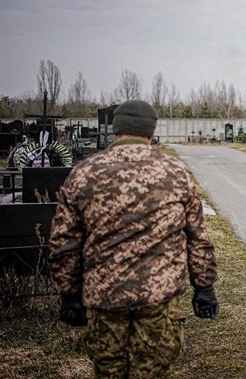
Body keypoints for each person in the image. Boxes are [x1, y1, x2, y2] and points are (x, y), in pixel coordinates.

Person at [49, 99, 219, 377]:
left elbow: (64, 240)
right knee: (151, 370)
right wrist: (204, 287)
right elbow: (197, 236)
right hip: (158, 297)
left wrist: (69, 293)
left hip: (104, 296)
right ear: (150, 132)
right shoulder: (175, 172)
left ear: (115, 131)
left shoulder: (84, 173)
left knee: (109, 371)